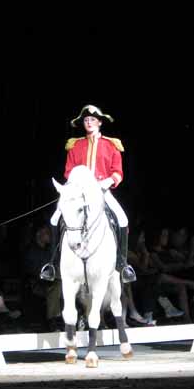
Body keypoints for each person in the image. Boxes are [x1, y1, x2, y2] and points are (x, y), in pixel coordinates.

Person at [40, 104, 136, 283]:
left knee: (123, 219)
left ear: (100, 122)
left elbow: (117, 172)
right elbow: (68, 171)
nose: (89, 122)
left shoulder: (111, 145)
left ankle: (122, 265)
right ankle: (52, 264)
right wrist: (78, 184)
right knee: (55, 218)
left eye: (92, 119)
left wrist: (107, 181)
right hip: (78, 191)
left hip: (101, 191)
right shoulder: (76, 145)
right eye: (86, 120)